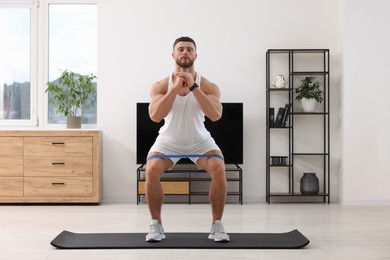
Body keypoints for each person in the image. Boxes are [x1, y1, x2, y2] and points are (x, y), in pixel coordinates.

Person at [145, 36, 230, 242]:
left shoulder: (208, 86)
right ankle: (156, 226)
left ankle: (217, 226)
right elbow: (155, 116)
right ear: (173, 54)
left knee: (218, 166)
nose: (185, 52)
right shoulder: (160, 85)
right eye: (181, 49)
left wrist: (194, 88)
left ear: (195, 55)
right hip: (168, 141)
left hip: (199, 141)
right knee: (151, 168)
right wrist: (174, 89)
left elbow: (216, 115)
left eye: (189, 49)